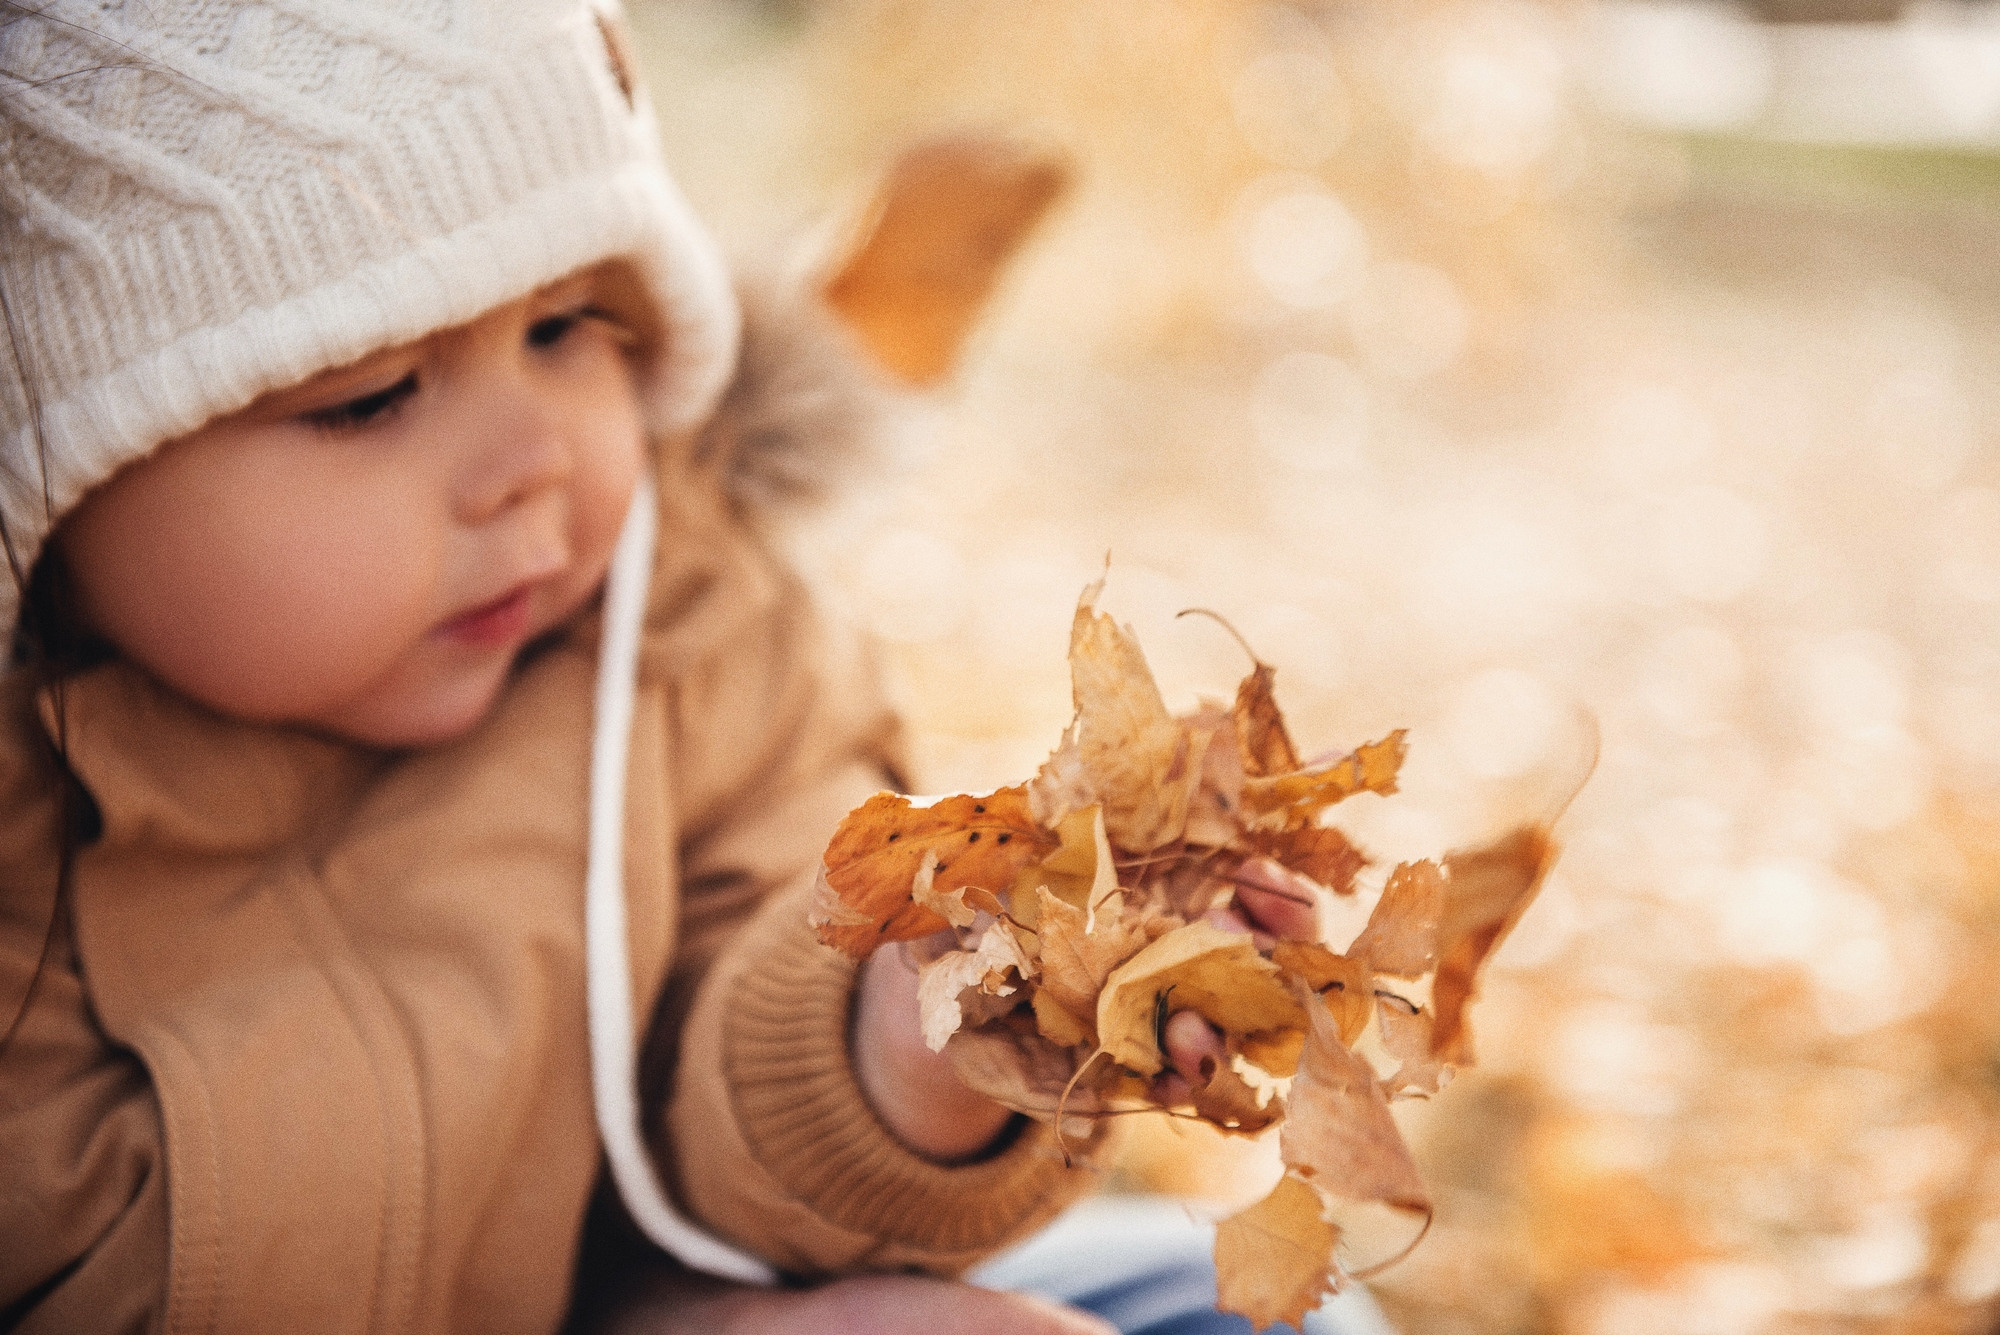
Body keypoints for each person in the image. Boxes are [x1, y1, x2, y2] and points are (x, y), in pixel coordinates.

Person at [0, 4, 1396, 1332]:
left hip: (658, 1286)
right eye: (368, 397)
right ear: (54, 456)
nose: (532, 460)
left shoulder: (685, 632)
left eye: (565, 327)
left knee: (1196, 1300)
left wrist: (920, 1027)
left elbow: (742, 1048)